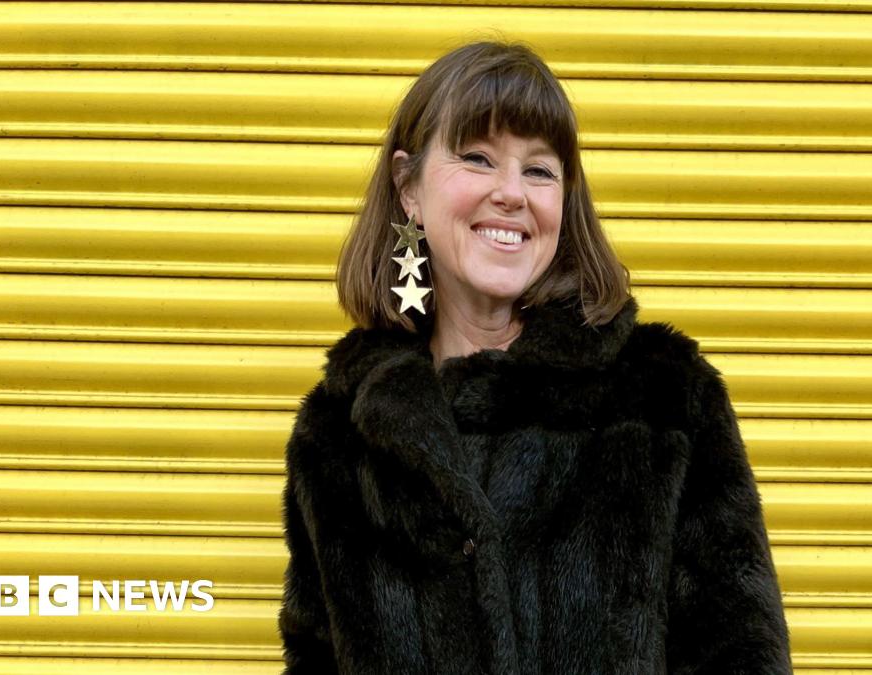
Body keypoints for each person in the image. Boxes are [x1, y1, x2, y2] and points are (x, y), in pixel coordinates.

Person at [279, 40, 792, 674]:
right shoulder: (341, 433)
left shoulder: (660, 398)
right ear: (408, 187)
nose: (511, 194)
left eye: (540, 170)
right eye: (477, 158)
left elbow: (740, 655)